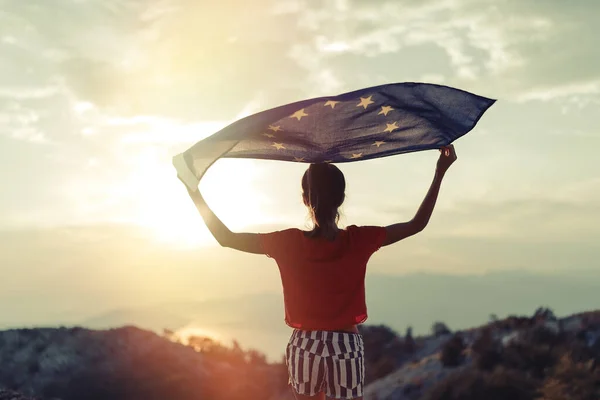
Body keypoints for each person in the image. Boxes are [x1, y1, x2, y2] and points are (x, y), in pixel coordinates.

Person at [180, 145, 458, 400]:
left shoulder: (287, 242)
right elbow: (416, 224)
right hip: (346, 344)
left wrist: (194, 190)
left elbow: (226, 237)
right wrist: (440, 172)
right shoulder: (359, 240)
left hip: (305, 344)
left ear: (305, 199)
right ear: (342, 198)